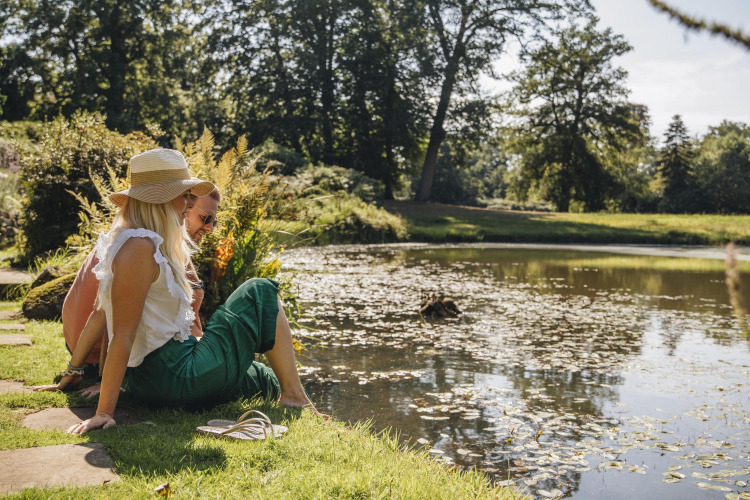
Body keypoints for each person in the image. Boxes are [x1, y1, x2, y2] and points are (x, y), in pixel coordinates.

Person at [35, 148, 325, 433]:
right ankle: (296, 398)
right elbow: (122, 332)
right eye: (185, 195)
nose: (189, 203)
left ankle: (284, 390)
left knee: (262, 377)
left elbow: (101, 313)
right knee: (259, 290)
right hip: (176, 374)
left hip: (151, 378)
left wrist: (72, 373)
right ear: (160, 197)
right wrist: (104, 412)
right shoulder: (141, 247)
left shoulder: (126, 238)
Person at [61, 186, 221, 373]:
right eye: (206, 218)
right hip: (113, 357)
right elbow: (110, 316)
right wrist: (97, 377)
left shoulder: (140, 238)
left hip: (90, 348)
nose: (210, 228)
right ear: (177, 204)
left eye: (214, 222)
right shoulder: (140, 248)